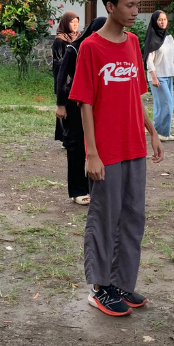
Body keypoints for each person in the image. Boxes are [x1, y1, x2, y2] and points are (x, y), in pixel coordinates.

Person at [69, 0, 165, 317]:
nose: (135, 12)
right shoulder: (91, 48)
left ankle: (122, 282)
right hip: (106, 152)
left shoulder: (133, 42)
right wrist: (91, 154)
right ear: (110, 7)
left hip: (134, 146)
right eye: (129, 5)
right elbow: (85, 104)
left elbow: (135, 95)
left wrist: (152, 130)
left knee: (133, 216)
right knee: (105, 217)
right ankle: (101, 286)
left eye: (138, 5)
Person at [55, 17, 106, 205]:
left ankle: (91, 185)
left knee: (95, 144)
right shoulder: (74, 49)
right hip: (73, 102)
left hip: (95, 104)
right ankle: (77, 190)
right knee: (75, 146)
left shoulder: (102, 49)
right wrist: (60, 105)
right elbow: (61, 77)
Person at [144, 10, 174, 141]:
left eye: (164, 19)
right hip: (157, 76)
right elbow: (149, 60)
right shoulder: (152, 37)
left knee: (162, 105)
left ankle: (160, 132)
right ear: (155, 21)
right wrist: (153, 77)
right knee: (166, 104)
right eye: (160, 20)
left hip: (168, 74)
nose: (163, 22)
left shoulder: (169, 37)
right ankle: (161, 133)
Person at [52, 12, 80, 143]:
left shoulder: (79, 38)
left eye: (77, 22)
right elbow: (58, 63)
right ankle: (64, 136)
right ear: (65, 23)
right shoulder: (59, 40)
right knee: (64, 106)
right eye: (72, 22)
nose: (75, 25)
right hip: (64, 77)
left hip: (76, 77)